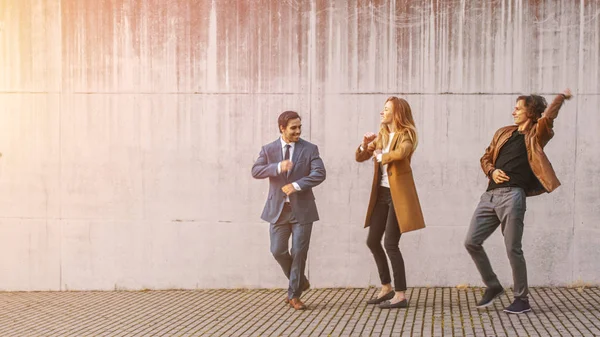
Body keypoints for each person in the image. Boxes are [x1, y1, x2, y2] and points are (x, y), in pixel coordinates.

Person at [465, 89, 573, 314]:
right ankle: (493, 285)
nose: (513, 111)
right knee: (471, 241)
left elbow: (549, 117)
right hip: (490, 196)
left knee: (513, 248)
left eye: (518, 108)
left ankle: (521, 299)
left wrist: (560, 99)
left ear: (530, 112)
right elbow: (485, 157)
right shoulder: (503, 132)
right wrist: (492, 171)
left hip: (513, 196)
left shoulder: (536, 134)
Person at [251, 110, 326, 310]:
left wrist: (297, 185)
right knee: (277, 250)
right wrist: (277, 167)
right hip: (278, 210)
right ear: (282, 128)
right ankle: (300, 280)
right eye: (293, 127)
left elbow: (320, 173)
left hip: (303, 210)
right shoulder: (269, 149)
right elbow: (256, 170)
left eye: (299, 127)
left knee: (299, 252)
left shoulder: (310, 149)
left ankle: (294, 294)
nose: (298, 131)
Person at [355, 97, 426, 309]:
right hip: (382, 196)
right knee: (373, 241)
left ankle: (401, 294)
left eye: (386, 109)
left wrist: (380, 156)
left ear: (397, 113)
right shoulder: (383, 135)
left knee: (391, 243)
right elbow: (360, 157)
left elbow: (402, 152)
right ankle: (386, 287)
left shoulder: (407, 134)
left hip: (398, 196)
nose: (382, 112)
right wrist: (365, 144)